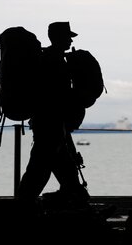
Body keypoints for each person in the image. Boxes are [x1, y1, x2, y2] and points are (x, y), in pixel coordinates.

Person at [18, 22, 89, 209]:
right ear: (57, 37)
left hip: (52, 123)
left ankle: (80, 202)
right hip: (51, 123)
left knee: (64, 167)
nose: (71, 40)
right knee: (40, 169)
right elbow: (56, 95)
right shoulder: (53, 60)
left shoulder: (51, 58)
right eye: (68, 36)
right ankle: (23, 205)